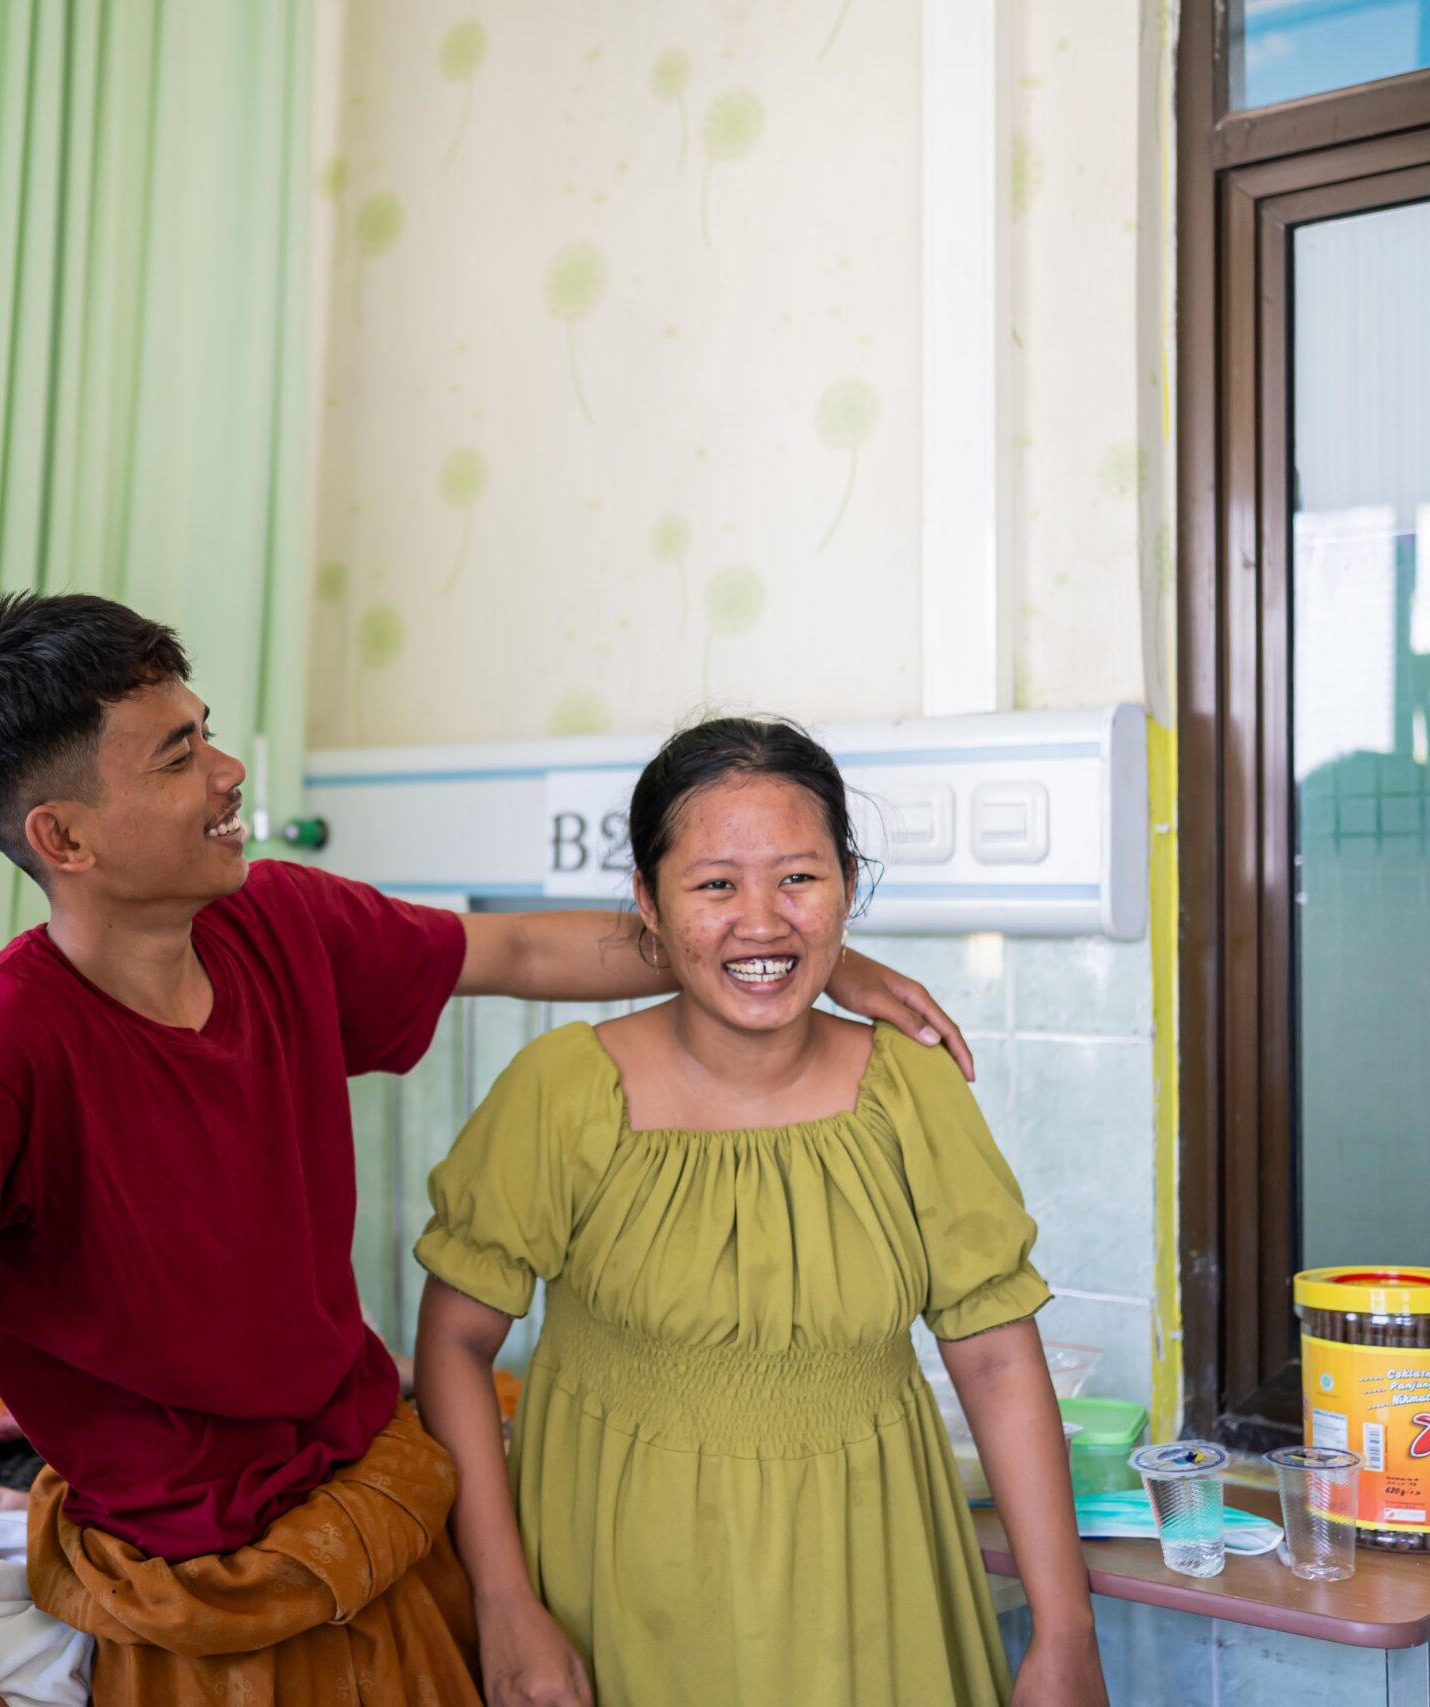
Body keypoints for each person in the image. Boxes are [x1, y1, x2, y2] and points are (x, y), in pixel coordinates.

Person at [0, 595, 978, 1706]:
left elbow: (515, 951)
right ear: (64, 835)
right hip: (193, 1569)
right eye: (175, 757)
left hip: (375, 1491)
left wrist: (787, 960)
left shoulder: (278, 924)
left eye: (205, 733)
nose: (227, 772)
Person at [412, 717, 1103, 1707]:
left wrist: (1064, 1628)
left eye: (798, 878)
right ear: (647, 904)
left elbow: (995, 1357)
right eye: (714, 885)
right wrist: (504, 1602)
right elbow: (453, 1345)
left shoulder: (913, 1091)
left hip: (880, 1595)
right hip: (620, 1607)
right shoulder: (563, 1093)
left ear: (848, 888)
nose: (763, 921)